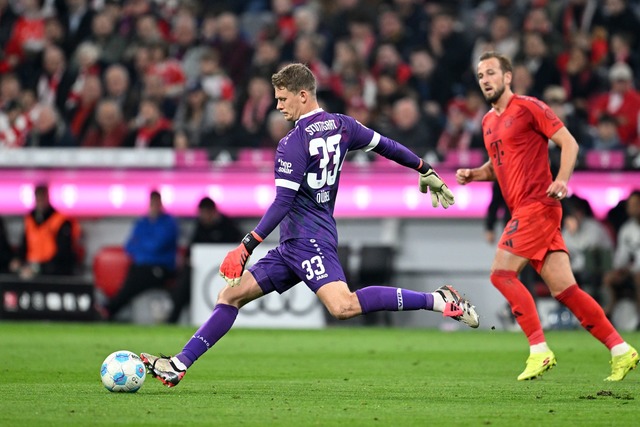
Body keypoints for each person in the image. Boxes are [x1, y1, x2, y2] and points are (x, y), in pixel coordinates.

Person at [140, 63, 479, 387]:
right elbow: (386, 146)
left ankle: (437, 299)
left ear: (303, 95)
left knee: (343, 306)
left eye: (282, 98)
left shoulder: (293, 142)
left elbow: (283, 202)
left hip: (309, 239)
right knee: (231, 295)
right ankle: (178, 365)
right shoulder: (344, 125)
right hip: (293, 243)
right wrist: (424, 168)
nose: (278, 105)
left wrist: (247, 245)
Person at [456, 51, 638, 381]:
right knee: (566, 291)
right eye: (480, 75)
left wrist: (563, 179)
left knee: (501, 274)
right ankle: (620, 349)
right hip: (527, 210)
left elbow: (569, 144)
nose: (485, 80)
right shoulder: (487, 122)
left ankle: (539, 350)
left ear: (508, 77)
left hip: (538, 206)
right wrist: (474, 174)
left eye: (491, 73)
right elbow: (498, 167)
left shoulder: (529, 107)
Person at [97, 190, 178, 320]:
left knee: (137, 276)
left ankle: (110, 308)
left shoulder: (168, 223)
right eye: (152, 203)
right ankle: (110, 309)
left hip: (161, 269)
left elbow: (157, 246)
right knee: (135, 274)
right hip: (141, 267)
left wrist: (141, 247)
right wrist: (145, 248)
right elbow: (129, 246)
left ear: (161, 204)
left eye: (157, 203)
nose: (155, 206)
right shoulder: (143, 222)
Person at [167, 196, 243, 324]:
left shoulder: (227, 225)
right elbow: (191, 250)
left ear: (213, 212)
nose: (204, 216)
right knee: (185, 280)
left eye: (206, 213)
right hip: (202, 272)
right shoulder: (200, 227)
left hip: (227, 270)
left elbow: (239, 245)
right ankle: (174, 318)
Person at [10, 184, 81, 279]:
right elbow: (24, 244)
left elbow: (64, 254)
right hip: (31, 268)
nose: (40, 201)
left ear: (47, 198)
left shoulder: (60, 220)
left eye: (42, 198)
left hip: (53, 272)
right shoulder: (30, 218)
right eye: (37, 198)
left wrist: (39, 268)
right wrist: (18, 260)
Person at [602, 190, 640, 325]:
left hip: (637, 272)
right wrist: (619, 269)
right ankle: (609, 314)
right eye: (630, 205)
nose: (631, 208)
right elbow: (621, 256)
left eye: (635, 204)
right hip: (630, 271)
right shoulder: (626, 229)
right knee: (609, 278)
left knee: (638, 277)